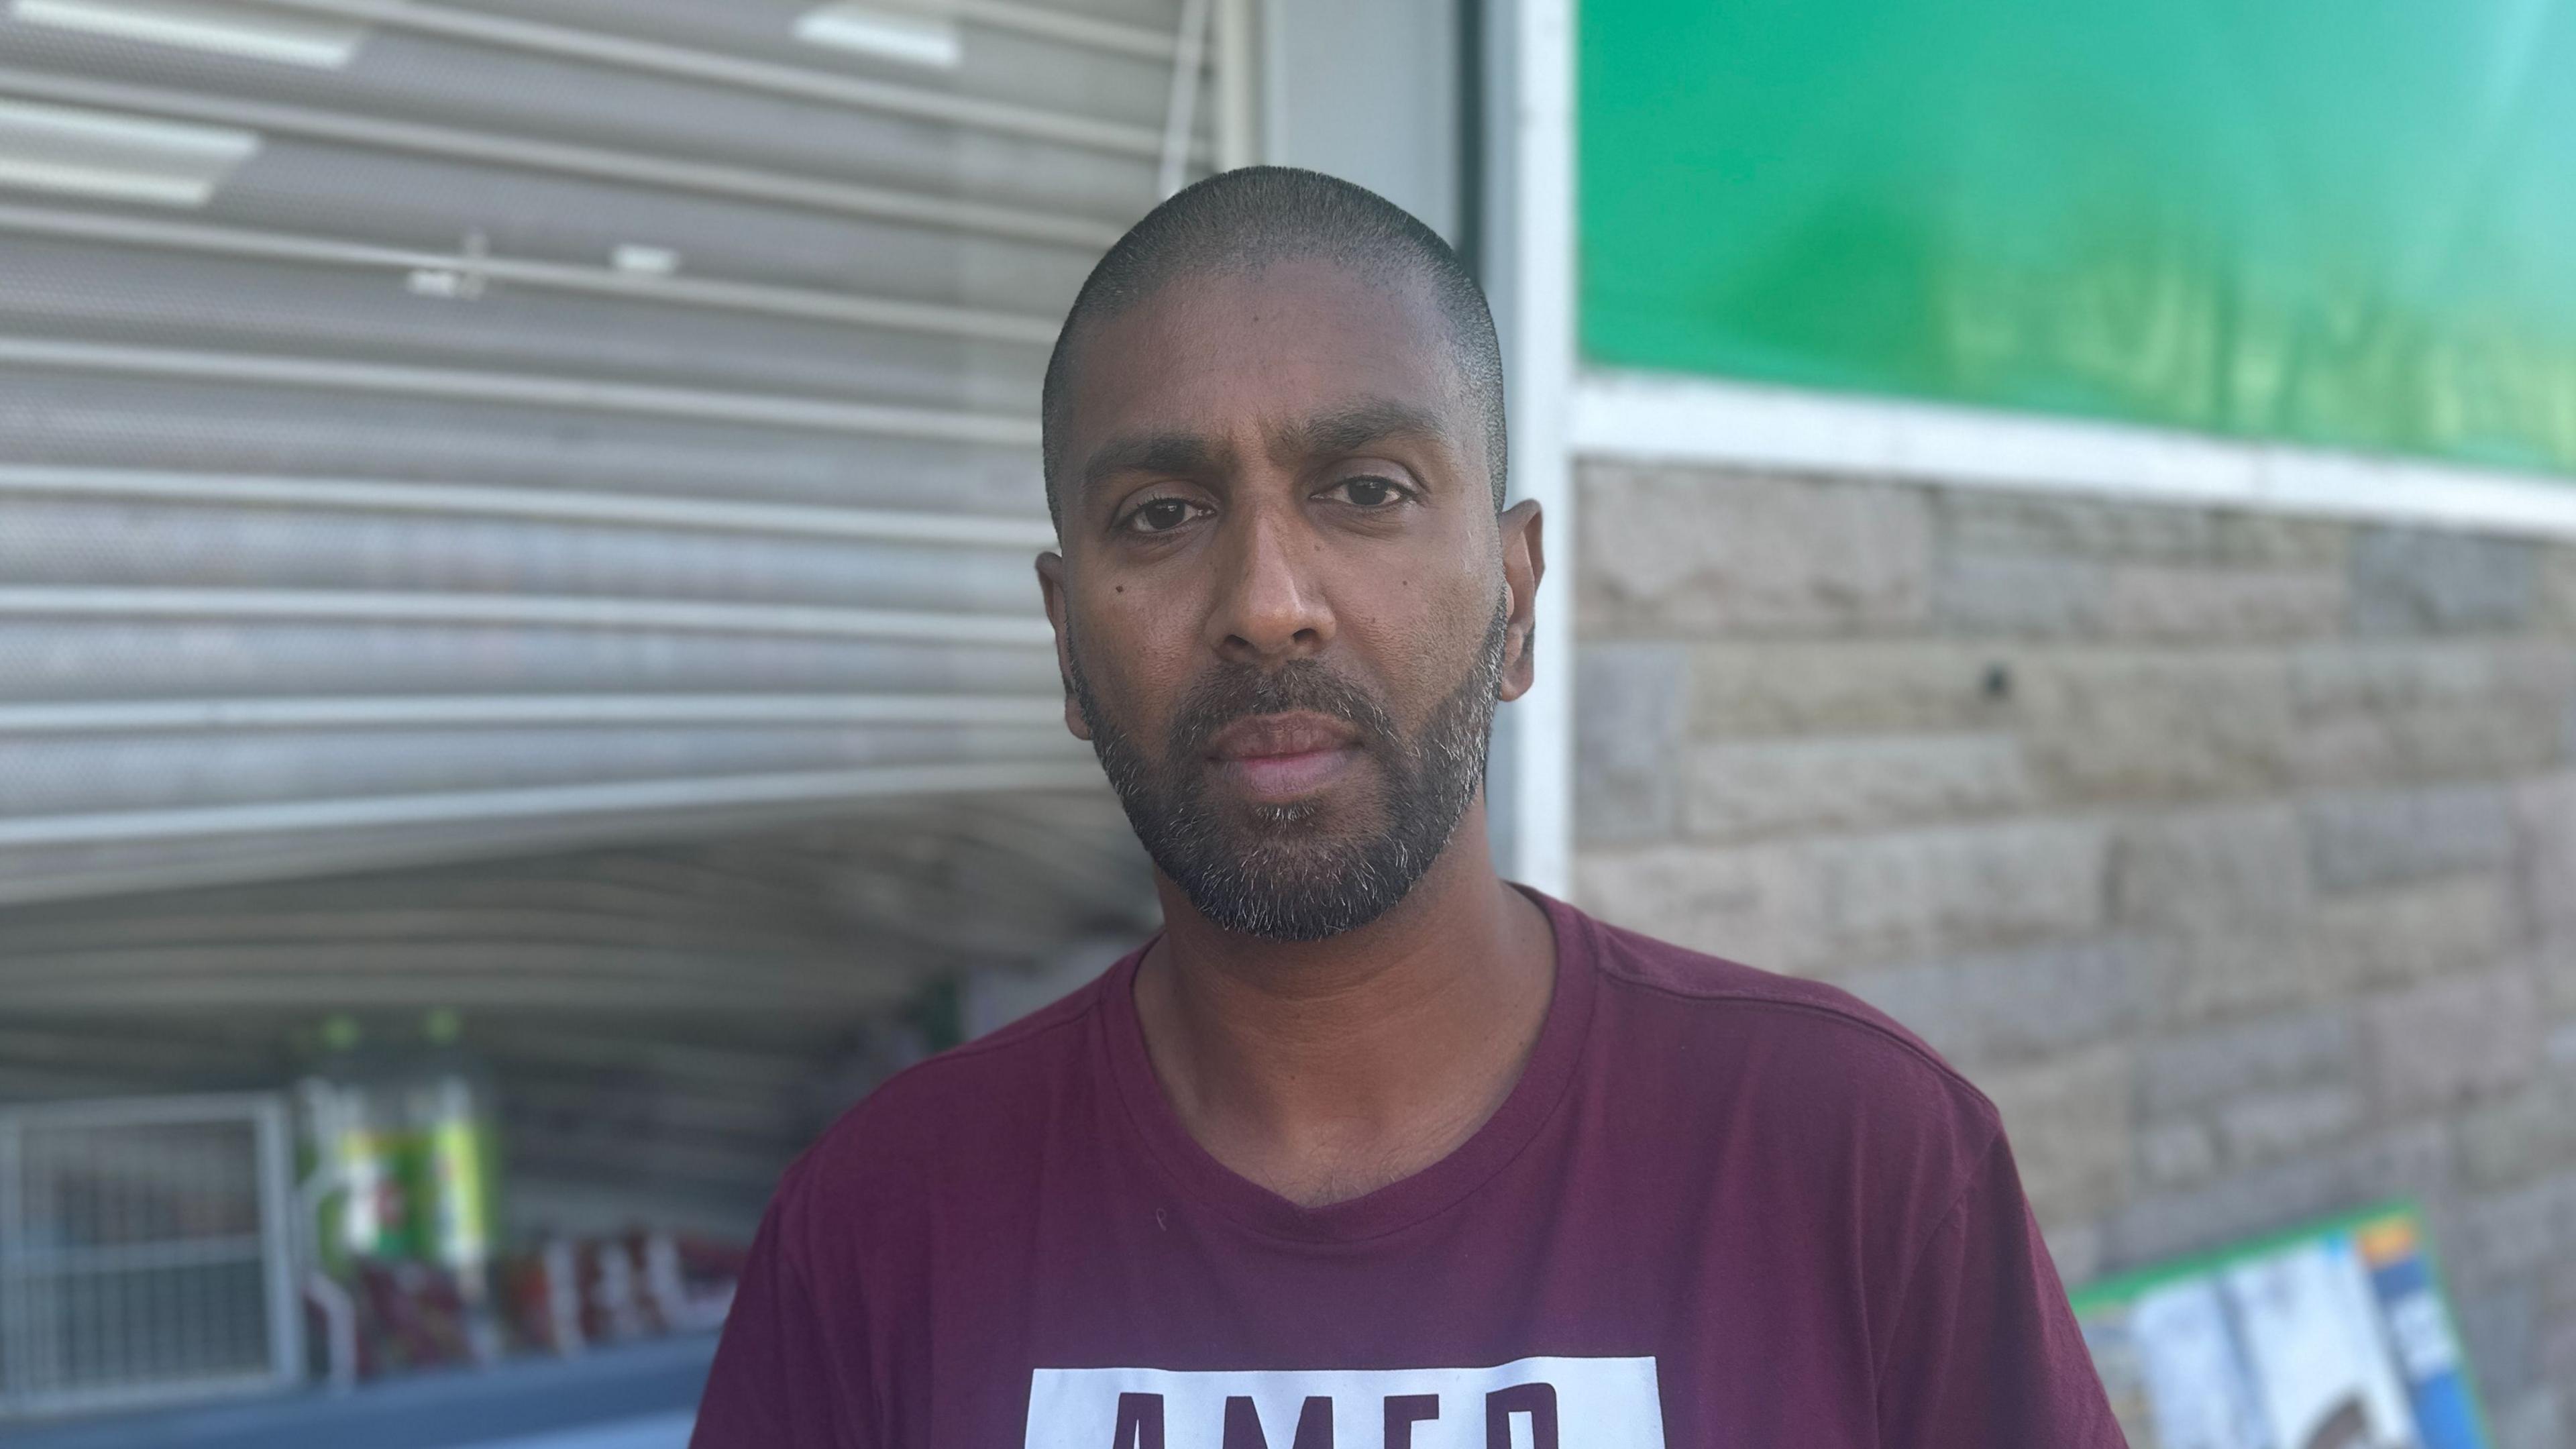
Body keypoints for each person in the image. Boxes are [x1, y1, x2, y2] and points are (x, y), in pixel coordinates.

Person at [692, 167, 2123, 1448]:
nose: (1267, 603)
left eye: (1366, 490)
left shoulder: (1858, 1160)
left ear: (1515, 598)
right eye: (1162, 514)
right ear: (1069, 641)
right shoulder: (880, 1230)